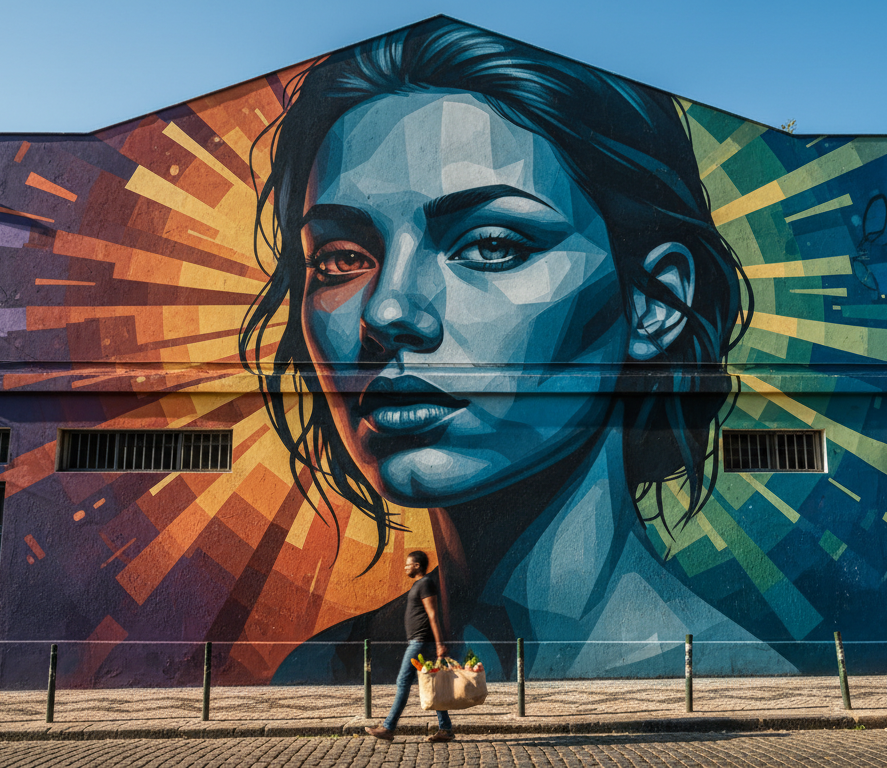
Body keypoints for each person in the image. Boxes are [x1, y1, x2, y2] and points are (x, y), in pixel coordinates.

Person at [243, 19, 796, 682]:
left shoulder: (728, 685)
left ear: (655, 304)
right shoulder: (316, 672)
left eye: (491, 246)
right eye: (340, 258)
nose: (388, 310)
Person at [363, 551, 454, 742]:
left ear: (417, 566)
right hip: (419, 642)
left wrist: (440, 645)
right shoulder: (419, 585)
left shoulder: (426, 583)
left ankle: (388, 727)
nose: (405, 567)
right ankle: (445, 729)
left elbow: (433, 615)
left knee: (403, 682)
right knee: (433, 685)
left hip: (420, 643)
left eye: (408, 564)